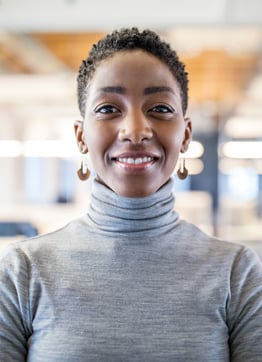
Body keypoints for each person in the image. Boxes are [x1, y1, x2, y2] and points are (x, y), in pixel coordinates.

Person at [0, 27, 262, 361]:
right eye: (109, 109)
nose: (135, 130)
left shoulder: (234, 271)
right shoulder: (23, 270)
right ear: (81, 137)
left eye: (161, 108)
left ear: (186, 134)